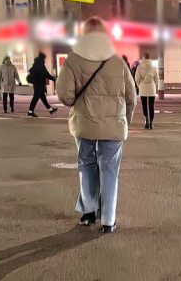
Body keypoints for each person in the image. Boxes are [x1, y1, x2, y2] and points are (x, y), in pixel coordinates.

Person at [56, 17, 137, 234]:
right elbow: (132, 96)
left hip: (84, 123)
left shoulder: (73, 60)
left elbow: (65, 95)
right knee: (109, 170)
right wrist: (125, 122)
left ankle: (89, 212)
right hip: (114, 126)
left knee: (86, 164)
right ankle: (108, 221)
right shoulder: (117, 61)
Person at [27, 52, 57, 117]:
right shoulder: (40, 65)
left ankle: (49, 109)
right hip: (39, 84)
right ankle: (49, 109)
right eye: (44, 58)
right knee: (39, 98)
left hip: (36, 84)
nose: (45, 60)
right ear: (43, 58)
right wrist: (54, 79)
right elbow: (46, 74)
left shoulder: (35, 64)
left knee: (39, 98)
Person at [135, 53, 159, 129]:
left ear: (143, 58)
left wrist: (139, 85)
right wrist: (155, 86)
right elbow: (157, 79)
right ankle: (151, 123)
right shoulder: (154, 68)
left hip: (143, 88)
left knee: (144, 105)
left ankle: (146, 121)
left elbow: (137, 78)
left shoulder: (139, 67)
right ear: (150, 59)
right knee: (151, 106)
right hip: (152, 88)